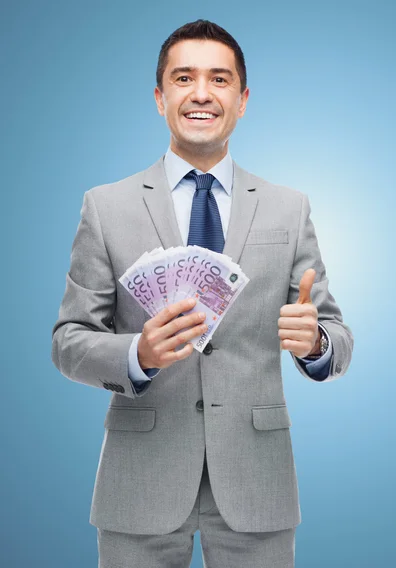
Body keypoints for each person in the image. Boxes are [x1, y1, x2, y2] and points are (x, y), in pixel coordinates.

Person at [51, 18, 353, 568]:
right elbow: (69, 341)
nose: (201, 93)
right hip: (140, 477)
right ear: (159, 97)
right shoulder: (106, 206)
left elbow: (337, 335)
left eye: (219, 79)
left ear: (242, 99)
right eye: (184, 77)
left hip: (257, 480)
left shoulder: (290, 207)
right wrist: (135, 355)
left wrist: (316, 344)